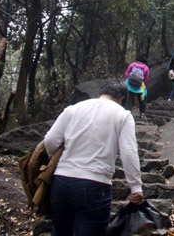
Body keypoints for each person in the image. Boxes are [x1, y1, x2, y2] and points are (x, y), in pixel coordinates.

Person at [44, 80, 143, 236]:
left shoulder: (73, 109)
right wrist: (135, 186)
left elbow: (50, 141)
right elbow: (129, 152)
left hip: (61, 182)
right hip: (94, 184)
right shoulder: (123, 115)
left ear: (99, 94)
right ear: (121, 99)